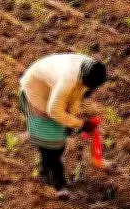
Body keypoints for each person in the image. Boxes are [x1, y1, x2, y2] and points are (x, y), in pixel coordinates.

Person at [19, 53, 107, 199]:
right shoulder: (68, 79)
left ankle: (45, 171)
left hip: (52, 88)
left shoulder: (90, 69)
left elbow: (75, 96)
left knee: (57, 141)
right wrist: (81, 124)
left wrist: (71, 121)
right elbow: (54, 110)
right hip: (36, 89)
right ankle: (58, 184)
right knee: (52, 142)